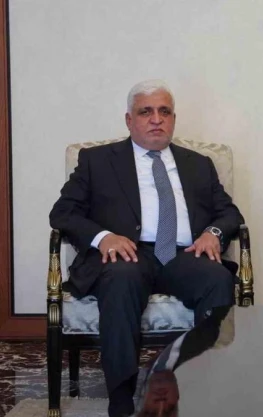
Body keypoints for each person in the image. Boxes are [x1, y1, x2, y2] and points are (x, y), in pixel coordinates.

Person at [49, 80, 244, 417]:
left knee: (217, 279)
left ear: (173, 119)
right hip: (126, 255)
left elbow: (229, 213)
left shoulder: (199, 164)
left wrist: (213, 233)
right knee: (122, 277)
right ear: (129, 120)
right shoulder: (97, 161)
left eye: (164, 112)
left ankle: (201, 386)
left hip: (184, 255)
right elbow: (63, 213)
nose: (156, 119)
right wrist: (103, 237)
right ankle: (122, 400)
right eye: (146, 112)